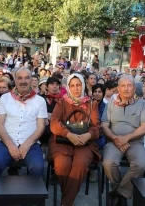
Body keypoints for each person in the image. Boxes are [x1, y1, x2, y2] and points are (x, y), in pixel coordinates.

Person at [50, 73, 100, 205]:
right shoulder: (62, 101)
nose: (76, 88)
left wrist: (88, 135)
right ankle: (69, 201)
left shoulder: (91, 104)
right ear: (68, 87)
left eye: (78, 85)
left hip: (85, 142)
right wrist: (68, 134)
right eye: (72, 86)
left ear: (83, 85)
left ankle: (65, 202)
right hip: (63, 140)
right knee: (62, 165)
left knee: (80, 164)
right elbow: (54, 122)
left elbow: (96, 127)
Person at [101, 75, 145, 206]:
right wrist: (115, 139)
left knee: (140, 164)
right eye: (123, 86)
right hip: (114, 141)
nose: (126, 89)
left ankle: (119, 193)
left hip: (135, 142)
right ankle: (121, 194)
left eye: (129, 85)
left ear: (134, 88)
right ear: (118, 88)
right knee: (108, 163)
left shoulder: (142, 104)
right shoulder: (111, 104)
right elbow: (104, 125)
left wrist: (126, 138)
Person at [0, 67, 47, 176]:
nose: (23, 81)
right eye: (20, 78)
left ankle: (30, 193)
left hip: (31, 143)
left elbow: (41, 127)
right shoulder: (5, 98)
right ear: (15, 80)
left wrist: (27, 144)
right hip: (5, 142)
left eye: (27, 78)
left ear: (31, 80)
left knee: (37, 168)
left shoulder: (40, 101)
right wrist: (10, 145)